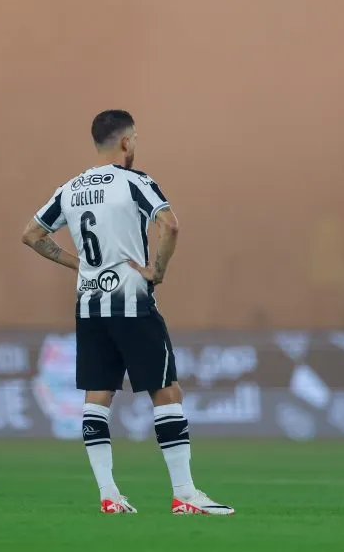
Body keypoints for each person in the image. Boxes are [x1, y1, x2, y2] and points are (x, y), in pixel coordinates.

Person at [21, 109, 234, 516]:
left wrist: (79, 265)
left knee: (97, 397)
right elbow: (170, 225)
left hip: (89, 306)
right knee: (166, 390)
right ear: (125, 142)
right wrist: (159, 269)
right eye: (134, 139)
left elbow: (31, 235)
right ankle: (185, 494)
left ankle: (109, 495)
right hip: (132, 302)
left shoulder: (70, 188)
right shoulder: (135, 182)